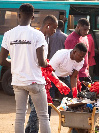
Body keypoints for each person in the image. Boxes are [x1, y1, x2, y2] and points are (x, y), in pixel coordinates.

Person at [0, 3, 52, 133]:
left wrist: (17, 64)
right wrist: (47, 64)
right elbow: (41, 62)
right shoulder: (37, 35)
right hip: (35, 81)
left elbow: (1, 60)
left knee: (20, 116)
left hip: (18, 81)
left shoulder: (8, 34)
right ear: (33, 17)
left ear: (19, 16)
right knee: (43, 116)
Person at [25, 15, 58, 133]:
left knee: (35, 109)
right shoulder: (36, 38)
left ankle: (29, 129)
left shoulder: (45, 38)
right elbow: (40, 61)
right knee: (36, 110)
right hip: (33, 78)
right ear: (47, 26)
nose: (55, 31)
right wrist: (47, 66)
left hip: (39, 77)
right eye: (54, 28)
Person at [64, 18, 90, 90]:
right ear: (78, 27)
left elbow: (87, 56)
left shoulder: (85, 38)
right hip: (76, 75)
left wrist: (87, 70)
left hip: (85, 73)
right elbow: (70, 60)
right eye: (85, 30)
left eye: (88, 30)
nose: (87, 32)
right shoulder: (71, 39)